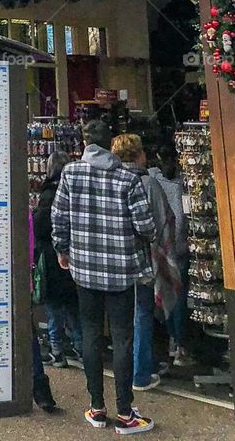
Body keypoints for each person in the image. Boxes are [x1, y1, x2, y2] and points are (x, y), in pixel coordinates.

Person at [51, 118, 156, 434]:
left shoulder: (70, 173)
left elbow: (59, 216)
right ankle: (125, 412)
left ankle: (97, 407)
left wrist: (63, 249)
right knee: (123, 337)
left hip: (84, 269)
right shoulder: (128, 179)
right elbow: (146, 226)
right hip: (120, 270)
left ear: (85, 144)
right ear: (111, 144)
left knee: (91, 334)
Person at [112, 134, 180, 393]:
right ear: (138, 154)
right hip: (143, 259)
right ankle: (140, 373)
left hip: (115, 260)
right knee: (142, 313)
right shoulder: (148, 183)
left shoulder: (110, 180)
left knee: (123, 316)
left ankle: (134, 367)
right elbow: (163, 221)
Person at [33, 150, 82, 366]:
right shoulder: (75, 191)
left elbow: (41, 225)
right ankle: (79, 346)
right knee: (72, 304)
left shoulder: (48, 194)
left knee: (53, 306)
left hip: (52, 256)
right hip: (73, 254)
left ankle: (57, 349)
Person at [151, 146, 190, 366]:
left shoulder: (153, 180)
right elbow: (182, 219)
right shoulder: (182, 185)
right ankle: (179, 344)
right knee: (179, 295)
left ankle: (170, 340)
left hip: (159, 247)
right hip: (179, 247)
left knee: (164, 294)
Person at [28, 207, 58, 412]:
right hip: (20, 279)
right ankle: (39, 386)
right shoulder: (22, 209)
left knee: (26, 332)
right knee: (27, 333)